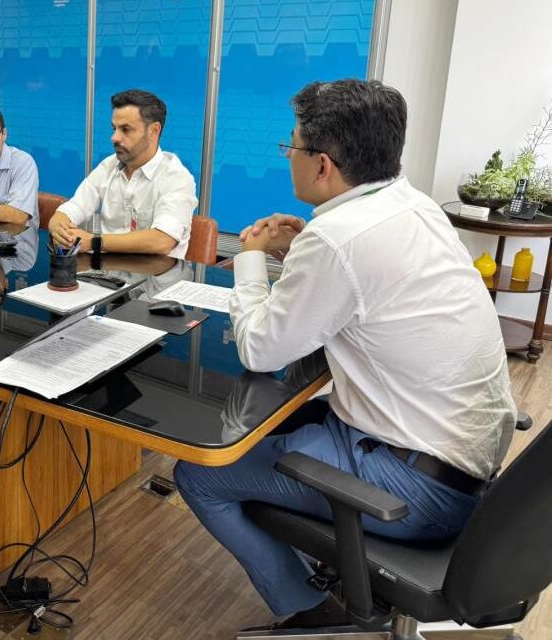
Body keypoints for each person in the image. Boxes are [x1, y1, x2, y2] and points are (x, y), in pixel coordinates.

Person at [173, 79, 517, 630]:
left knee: (200, 474)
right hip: (469, 466)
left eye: (292, 147)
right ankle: (330, 569)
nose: (288, 158)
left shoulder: (336, 240)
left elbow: (260, 348)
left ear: (323, 165)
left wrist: (252, 258)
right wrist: (303, 244)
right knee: (278, 421)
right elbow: (368, 286)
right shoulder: (413, 204)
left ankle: (311, 609)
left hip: (411, 488)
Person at [47, 89, 197, 258]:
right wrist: (59, 227)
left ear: (154, 130)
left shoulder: (177, 178)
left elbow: (161, 241)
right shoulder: (109, 166)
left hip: (155, 280)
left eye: (125, 129)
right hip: (104, 277)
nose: (114, 137)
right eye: (114, 128)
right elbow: (73, 208)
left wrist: (95, 242)